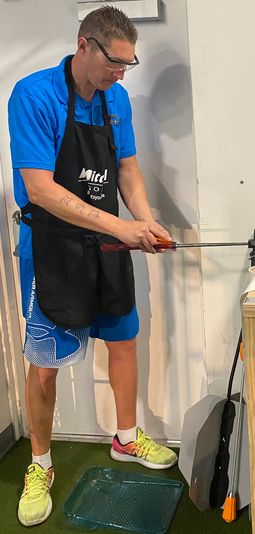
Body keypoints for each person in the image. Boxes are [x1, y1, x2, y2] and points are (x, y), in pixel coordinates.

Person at [8, 6, 177, 527]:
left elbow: (127, 169)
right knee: (46, 363)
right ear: (85, 45)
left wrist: (144, 222)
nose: (120, 74)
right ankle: (39, 463)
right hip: (52, 247)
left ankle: (125, 438)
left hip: (107, 245)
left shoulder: (116, 99)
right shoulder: (33, 95)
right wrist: (121, 228)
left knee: (123, 340)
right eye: (114, 62)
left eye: (129, 65)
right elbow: (40, 188)